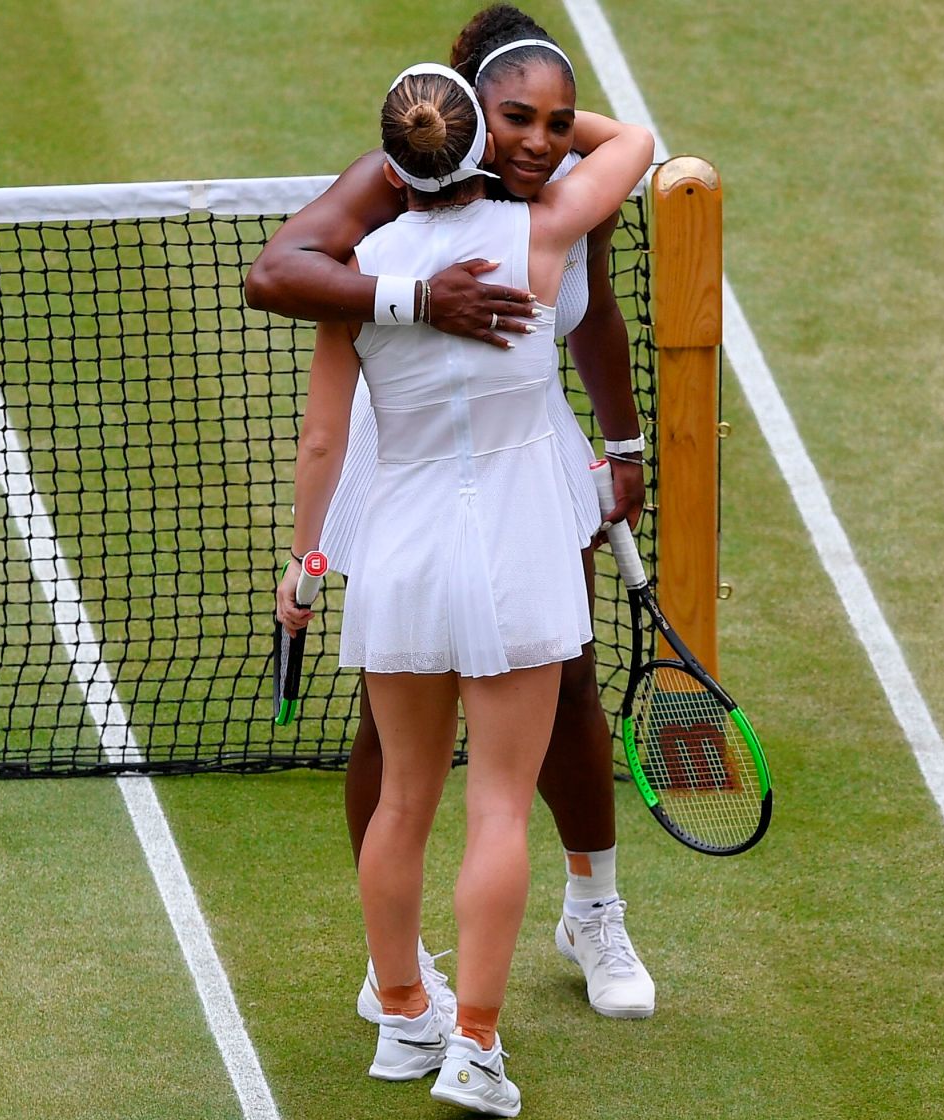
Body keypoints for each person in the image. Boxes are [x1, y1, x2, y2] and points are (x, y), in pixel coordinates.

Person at [246, 6, 658, 1023]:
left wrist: (623, 446)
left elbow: (594, 315)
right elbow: (276, 274)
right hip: (412, 461)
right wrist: (420, 299)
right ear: (467, 112)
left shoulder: (567, 200)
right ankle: (398, 962)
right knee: (392, 738)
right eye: (511, 118)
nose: (537, 142)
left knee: (567, 689)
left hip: (529, 460)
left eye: (557, 123)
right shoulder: (394, 175)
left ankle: (593, 911)